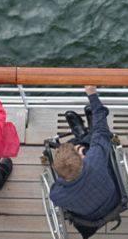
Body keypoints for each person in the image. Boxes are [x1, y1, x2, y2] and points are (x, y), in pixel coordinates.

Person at [50, 86, 120, 222]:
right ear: (82, 156)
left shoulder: (56, 195)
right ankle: (85, 134)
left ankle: (80, 134)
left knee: (80, 140)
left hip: (89, 216)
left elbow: (59, 184)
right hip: (112, 200)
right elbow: (102, 131)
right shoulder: (95, 161)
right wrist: (92, 95)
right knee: (95, 138)